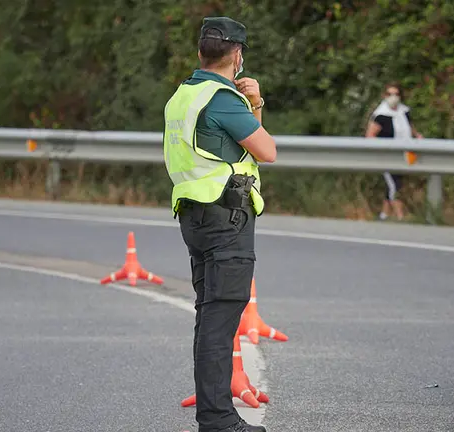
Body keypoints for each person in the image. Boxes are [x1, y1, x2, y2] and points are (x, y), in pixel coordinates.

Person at [162, 16, 276, 432]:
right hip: (226, 216)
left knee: (210, 313)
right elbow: (266, 149)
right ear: (237, 55)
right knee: (221, 317)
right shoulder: (224, 99)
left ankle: (215, 415)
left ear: (199, 53)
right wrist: (257, 103)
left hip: (194, 215)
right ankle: (218, 420)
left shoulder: (182, 95)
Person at [364, 82, 423, 221]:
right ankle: (400, 216)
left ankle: (384, 215)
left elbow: (410, 127)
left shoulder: (404, 111)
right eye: (390, 94)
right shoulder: (381, 115)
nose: (393, 97)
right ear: (384, 96)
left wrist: (417, 136)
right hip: (387, 156)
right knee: (395, 184)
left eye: (396, 94)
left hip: (404, 153)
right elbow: (370, 136)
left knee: (395, 183)